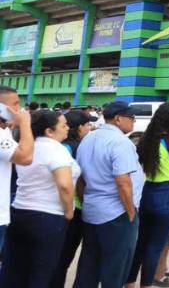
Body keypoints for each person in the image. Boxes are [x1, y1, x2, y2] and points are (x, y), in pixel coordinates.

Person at [0, 109, 79, 287]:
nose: (68, 128)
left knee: (14, 269)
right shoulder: (56, 150)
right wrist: (69, 210)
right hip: (48, 217)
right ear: (49, 131)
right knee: (41, 271)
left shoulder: (28, 146)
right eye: (63, 125)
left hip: (20, 211)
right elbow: (64, 184)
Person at [74, 102, 143, 288]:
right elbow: (123, 181)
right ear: (118, 119)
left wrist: (85, 201)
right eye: (132, 118)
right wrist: (131, 212)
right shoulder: (120, 142)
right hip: (117, 213)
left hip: (92, 210)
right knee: (115, 270)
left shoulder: (88, 138)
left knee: (89, 266)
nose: (134, 122)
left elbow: (80, 179)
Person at [126, 104, 169, 288]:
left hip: (148, 192)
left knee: (141, 243)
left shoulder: (147, 140)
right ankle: (146, 285)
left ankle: (129, 283)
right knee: (156, 246)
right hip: (168, 194)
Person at [51, 109, 95, 288]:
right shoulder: (79, 148)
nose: (90, 128)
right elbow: (80, 181)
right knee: (63, 260)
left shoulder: (58, 146)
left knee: (53, 258)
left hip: (53, 207)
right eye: (87, 125)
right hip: (72, 209)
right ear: (79, 128)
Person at [0, 86, 35, 255]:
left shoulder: (4, 131)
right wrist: (25, 123)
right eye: (15, 104)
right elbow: (26, 157)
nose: (19, 109)